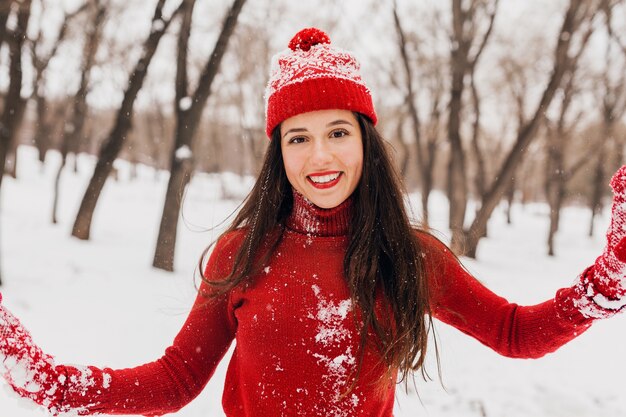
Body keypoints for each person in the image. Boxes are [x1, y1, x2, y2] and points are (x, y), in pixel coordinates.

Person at [1, 27, 625, 417]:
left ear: (366, 143)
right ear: (279, 153)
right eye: (297, 137)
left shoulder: (408, 256)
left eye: (336, 132)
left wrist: (611, 276)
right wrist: (52, 383)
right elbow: (176, 380)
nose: (319, 156)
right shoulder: (241, 254)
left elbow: (518, 333)